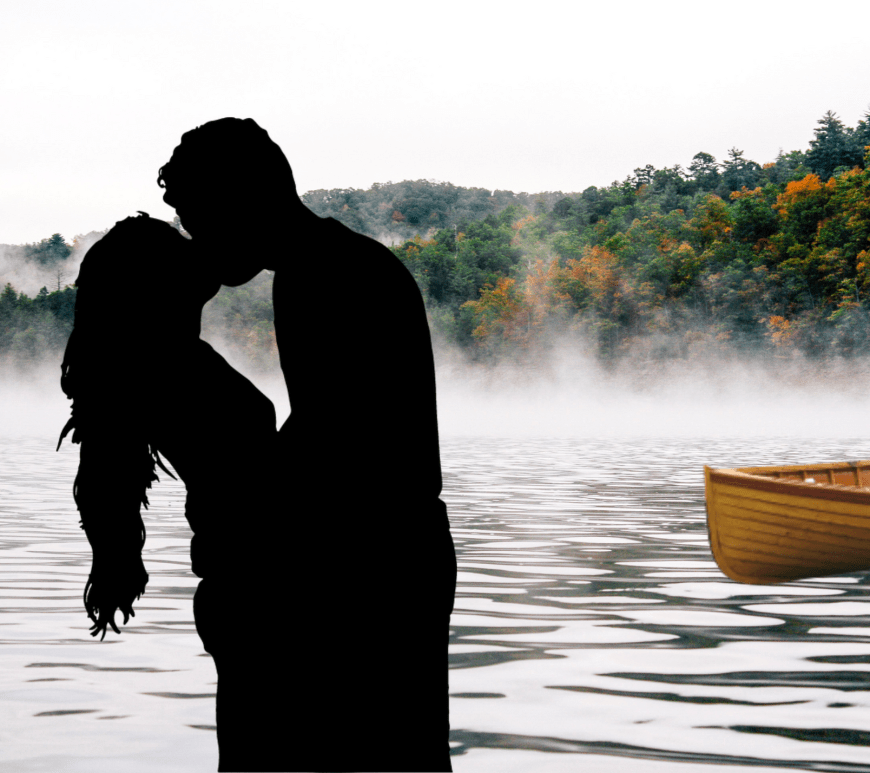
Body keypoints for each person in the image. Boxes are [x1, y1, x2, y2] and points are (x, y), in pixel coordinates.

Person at [157, 117, 457, 772]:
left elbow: (331, 446)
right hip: (395, 554)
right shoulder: (337, 264)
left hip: (371, 572)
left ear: (244, 198)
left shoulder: (320, 277)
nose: (197, 240)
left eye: (200, 219)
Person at [58, 212, 277, 658]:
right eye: (180, 243)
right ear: (158, 285)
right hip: (255, 579)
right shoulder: (172, 371)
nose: (196, 248)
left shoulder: (144, 370)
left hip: (240, 576)